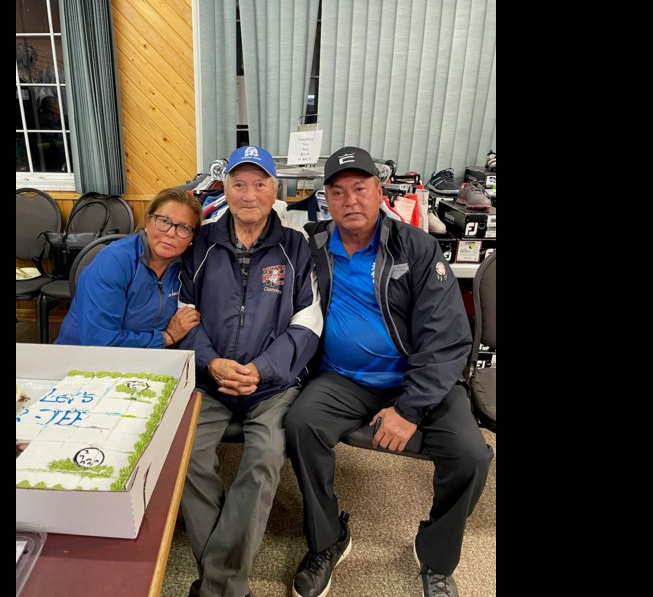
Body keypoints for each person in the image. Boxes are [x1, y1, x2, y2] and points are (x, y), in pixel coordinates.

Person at [285, 146, 493, 597]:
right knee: (301, 424)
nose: (350, 200)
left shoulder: (415, 246)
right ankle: (328, 539)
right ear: (326, 199)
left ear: (379, 192)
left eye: (360, 188)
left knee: (472, 457)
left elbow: (447, 337)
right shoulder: (313, 245)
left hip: (415, 381)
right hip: (343, 379)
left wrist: (411, 409)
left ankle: (435, 555)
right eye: (338, 192)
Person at [178, 145, 323, 597]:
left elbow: (308, 321)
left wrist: (261, 370)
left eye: (260, 183)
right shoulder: (199, 242)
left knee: (262, 461)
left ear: (274, 189)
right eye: (239, 184)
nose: (249, 193)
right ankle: (230, 583)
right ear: (224, 189)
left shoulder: (296, 247)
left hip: (273, 385)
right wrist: (211, 362)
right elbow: (182, 313)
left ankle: (217, 585)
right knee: (185, 459)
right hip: (211, 379)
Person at [55, 187, 202, 348]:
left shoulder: (187, 268)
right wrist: (167, 337)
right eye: (164, 221)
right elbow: (100, 341)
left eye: (184, 227)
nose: (171, 233)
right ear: (148, 221)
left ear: (192, 237)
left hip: (148, 357)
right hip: (84, 361)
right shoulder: (114, 260)